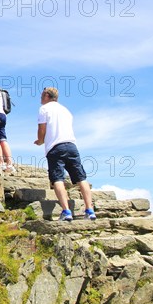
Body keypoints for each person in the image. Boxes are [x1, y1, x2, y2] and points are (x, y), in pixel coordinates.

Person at [34, 87, 96, 221]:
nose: (40, 98)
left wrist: (40, 141)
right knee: (81, 178)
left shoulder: (44, 109)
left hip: (55, 147)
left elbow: (42, 128)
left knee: (57, 178)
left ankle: (66, 211)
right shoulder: (66, 110)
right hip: (72, 145)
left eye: (41, 95)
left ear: (46, 95)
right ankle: (90, 210)